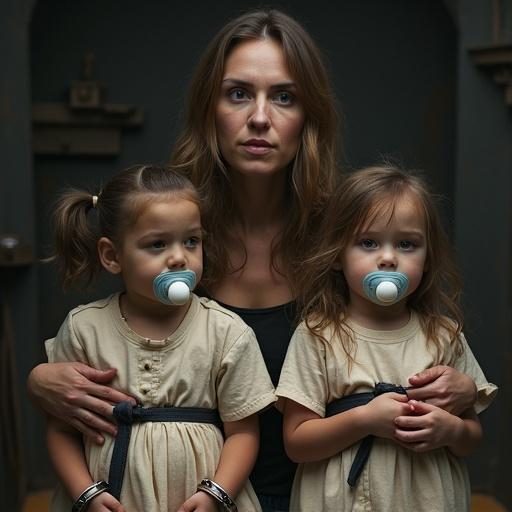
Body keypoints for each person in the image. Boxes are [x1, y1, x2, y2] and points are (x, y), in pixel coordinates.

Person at [28, 10, 478, 511]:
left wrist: (455, 386)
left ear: (310, 114)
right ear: (209, 108)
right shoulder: (172, 223)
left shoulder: (351, 237)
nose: (260, 117)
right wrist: (41, 378)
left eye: (284, 96)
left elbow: (417, 333)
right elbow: (121, 339)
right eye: (238, 93)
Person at [44, 164, 275, 512]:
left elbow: (243, 433)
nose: (179, 256)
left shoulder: (227, 332)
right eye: (157, 244)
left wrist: (217, 494)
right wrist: (86, 494)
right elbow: (61, 431)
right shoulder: (83, 329)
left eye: (191, 241)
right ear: (112, 256)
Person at [276, 165, 497, 511]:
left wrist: (451, 431)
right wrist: (364, 419)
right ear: (337, 255)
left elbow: (471, 436)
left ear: (427, 259)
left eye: (407, 244)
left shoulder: (444, 336)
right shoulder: (318, 335)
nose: (389, 258)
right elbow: (297, 442)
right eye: (368, 242)